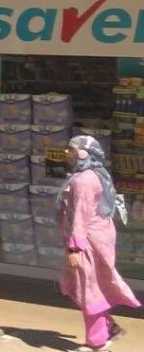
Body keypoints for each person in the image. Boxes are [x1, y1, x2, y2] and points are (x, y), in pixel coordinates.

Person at [58, 135, 138, 352]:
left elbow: (80, 215)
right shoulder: (91, 176)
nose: (66, 153)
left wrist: (75, 247)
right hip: (93, 238)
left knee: (88, 291)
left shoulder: (84, 180)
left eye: (71, 149)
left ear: (83, 153)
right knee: (90, 288)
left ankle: (97, 343)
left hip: (87, 241)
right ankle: (108, 327)